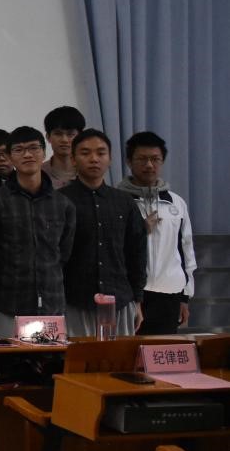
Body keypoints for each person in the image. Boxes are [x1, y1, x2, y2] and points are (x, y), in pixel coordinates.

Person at [0, 126, 75, 338]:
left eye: (34, 148)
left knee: (50, 359)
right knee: (8, 359)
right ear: (10, 157)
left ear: (44, 153)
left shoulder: (63, 204)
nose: (27, 155)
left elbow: (63, 254)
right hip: (8, 304)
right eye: (19, 150)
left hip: (52, 304)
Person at [61, 129, 148, 338]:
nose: (94, 159)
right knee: (78, 357)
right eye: (85, 153)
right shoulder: (60, 201)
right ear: (73, 159)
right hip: (74, 301)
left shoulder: (125, 202)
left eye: (101, 153)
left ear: (110, 159)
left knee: (119, 357)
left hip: (120, 300)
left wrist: (137, 300)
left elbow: (137, 253)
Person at [118, 131, 196, 335]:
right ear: (129, 161)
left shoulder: (176, 203)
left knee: (162, 350)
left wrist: (184, 297)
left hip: (168, 293)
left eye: (155, 159)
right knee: (127, 351)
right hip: (129, 293)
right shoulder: (117, 201)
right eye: (142, 159)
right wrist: (140, 230)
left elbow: (185, 249)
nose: (149, 165)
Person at [42, 106, 85, 190]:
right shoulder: (39, 174)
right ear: (48, 137)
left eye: (70, 134)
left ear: (80, 136)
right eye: (58, 134)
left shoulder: (88, 170)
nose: (64, 140)